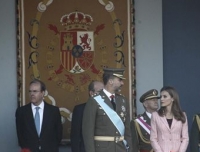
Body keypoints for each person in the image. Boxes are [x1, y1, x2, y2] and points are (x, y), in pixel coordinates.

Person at [82, 68, 132, 152]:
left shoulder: (123, 100)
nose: (122, 83)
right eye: (120, 80)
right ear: (110, 81)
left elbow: (127, 130)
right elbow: (88, 132)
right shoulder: (94, 101)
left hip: (121, 148)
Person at [15, 79, 63, 152]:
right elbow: (20, 135)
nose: (32, 94)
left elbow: (58, 134)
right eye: (30, 91)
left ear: (42, 93)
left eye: (35, 91)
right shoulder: (21, 112)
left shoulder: (53, 111)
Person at [150, 86, 189, 152]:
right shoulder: (155, 115)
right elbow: (153, 138)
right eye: (161, 96)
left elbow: (185, 138)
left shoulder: (182, 115)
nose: (161, 99)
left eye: (165, 96)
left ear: (172, 98)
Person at [70, 80, 104, 152]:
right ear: (91, 93)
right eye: (100, 92)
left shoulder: (111, 110)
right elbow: (75, 136)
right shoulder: (80, 109)